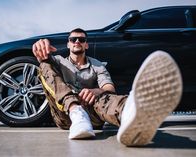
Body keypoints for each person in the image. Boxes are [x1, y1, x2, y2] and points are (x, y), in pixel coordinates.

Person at [32, 28, 182, 146]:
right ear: (68, 44)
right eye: (73, 39)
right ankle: (76, 111)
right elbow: (44, 62)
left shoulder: (97, 65)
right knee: (44, 66)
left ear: (86, 44)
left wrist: (95, 91)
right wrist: (41, 49)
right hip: (65, 115)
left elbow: (109, 87)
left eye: (81, 39)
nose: (77, 41)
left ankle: (131, 114)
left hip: (92, 116)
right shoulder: (58, 61)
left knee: (103, 97)